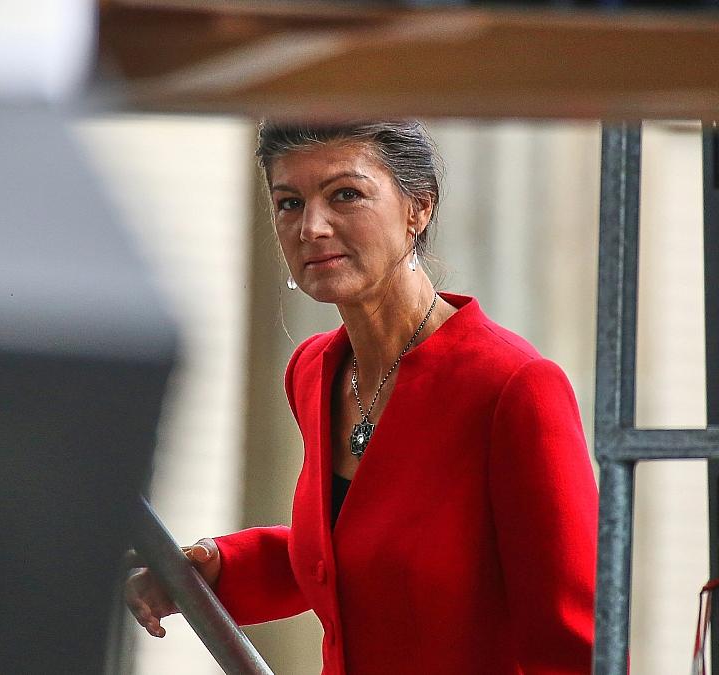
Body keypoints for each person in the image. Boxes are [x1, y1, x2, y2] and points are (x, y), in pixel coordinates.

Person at [125, 120, 598, 674]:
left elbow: (577, 647)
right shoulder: (312, 371)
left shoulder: (515, 387)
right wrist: (216, 569)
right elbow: (348, 554)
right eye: (289, 203)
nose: (311, 227)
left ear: (418, 207)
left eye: (345, 195)